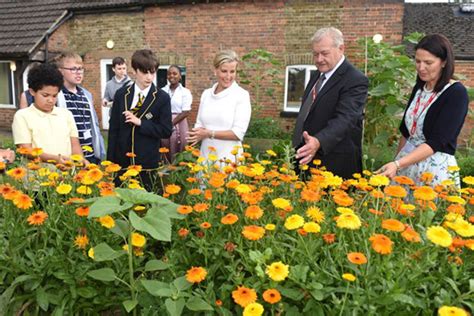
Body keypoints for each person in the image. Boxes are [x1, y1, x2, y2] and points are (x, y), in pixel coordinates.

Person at [377, 34, 468, 186]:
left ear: (444, 62)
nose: (421, 67)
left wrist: (399, 164)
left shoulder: (456, 93)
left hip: (433, 170)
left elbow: (437, 141)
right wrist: (396, 162)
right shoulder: (420, 89)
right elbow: (406, 132)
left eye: (428, 62)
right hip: (406, 165)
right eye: (418, 61)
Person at [292, 27, 368, 179]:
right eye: (315, 54)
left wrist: (319, 141)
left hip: (334, 166)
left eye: (324, 53)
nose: (319, 59)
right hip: (307, 158)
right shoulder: (317, 75)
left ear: (341, 49)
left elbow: (346, 119)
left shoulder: (355, 80)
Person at [107, 49, 172, 191]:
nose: (149, 77)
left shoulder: (162, 98)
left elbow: (166, 131)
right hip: (122, 161)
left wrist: (141, 123)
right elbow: (113, 130)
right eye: (145, 72)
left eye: (153, 72)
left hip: (147, 162)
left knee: (146, 204)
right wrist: (110, 163)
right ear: (135, 71)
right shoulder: (121, 94)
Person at [12, 63, 83, 165]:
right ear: (32, 91)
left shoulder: (66, 114)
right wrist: (55, 159)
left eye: (54, 96)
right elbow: (25, 149)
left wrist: (80, 160)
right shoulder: (22, 116)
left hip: (67, 175)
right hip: (37, 177)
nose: (50, 100)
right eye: (45, 95)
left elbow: (75, 145)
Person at [187, 50, 251, 161]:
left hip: (229, 159)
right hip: (205, 156)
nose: (228, 76)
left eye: (232, 71)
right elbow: (199, 124)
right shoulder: (206, 94)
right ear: (215, 70)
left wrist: (208, 133)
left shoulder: (241, 95)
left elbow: (238, 133)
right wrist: (193, 135)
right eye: (224, 71)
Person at [55, 51, 106, 164]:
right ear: (61, 71)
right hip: (69, 156)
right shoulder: (57, 96)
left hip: (91, 155)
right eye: (73, 69)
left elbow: (94, 126)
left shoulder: (86, 95)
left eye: (81, 69)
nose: (78, 73)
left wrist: (100, 151)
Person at [161, 65, 192, 161]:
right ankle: (167, 169)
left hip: (180, 120)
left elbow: (186, 111)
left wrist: (172, 123)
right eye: (169, 74)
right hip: (165, 120)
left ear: (180, 76)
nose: (172, 76)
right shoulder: (162, 91)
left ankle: (179, 169)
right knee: (165, 145)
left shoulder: (185, 92)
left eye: (175, 73)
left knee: (181, 145)